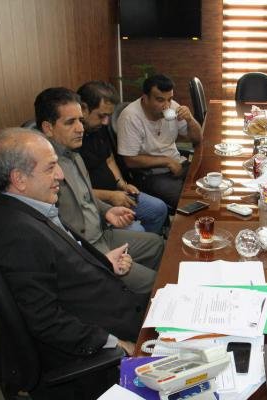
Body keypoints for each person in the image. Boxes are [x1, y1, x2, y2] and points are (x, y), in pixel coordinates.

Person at [0, 128, 142, 376]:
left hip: (111, 308)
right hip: (105, 338)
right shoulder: (17, 235)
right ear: (19, 179)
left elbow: (61, 264)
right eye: (50, 168)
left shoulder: (30, 207)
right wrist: (117, 345)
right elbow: (45, 320)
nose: (60, 175)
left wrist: (104, 262)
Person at [35, 87, 164, 294]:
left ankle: (126, 295)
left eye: (80, 120)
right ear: (48, 128)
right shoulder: (42, 169)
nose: (80, 128)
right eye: (70, 122)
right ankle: (128, 294)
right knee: (155, 283)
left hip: (102, 234)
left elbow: (86, 197)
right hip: (85, 249)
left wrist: (107, 210)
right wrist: (97, 257)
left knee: (157, 244)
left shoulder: (74, 154)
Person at [76, 80, 168, 234]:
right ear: (83, 109)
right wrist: (110, 196)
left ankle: (145, 245)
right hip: (94, 202)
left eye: (108, 116)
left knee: (158, 209)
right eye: (102, 115)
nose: (106, 122)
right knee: (137, 230)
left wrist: (122, 184)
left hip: (115, 193)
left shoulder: (98, 127)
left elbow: (109, 159)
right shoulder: (72, 139)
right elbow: (75, 191)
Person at [117, 74, 202, 210]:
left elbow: (197, 139)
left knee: (207, 187)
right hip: (151, 175)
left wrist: (190, 120)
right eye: (160, 100)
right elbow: (129, 160)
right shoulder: (130, 117)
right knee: (188, 201)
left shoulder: (173, 107)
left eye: (170, 99)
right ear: (145, 98)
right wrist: (166, 161)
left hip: (178, 164)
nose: (167, 106)